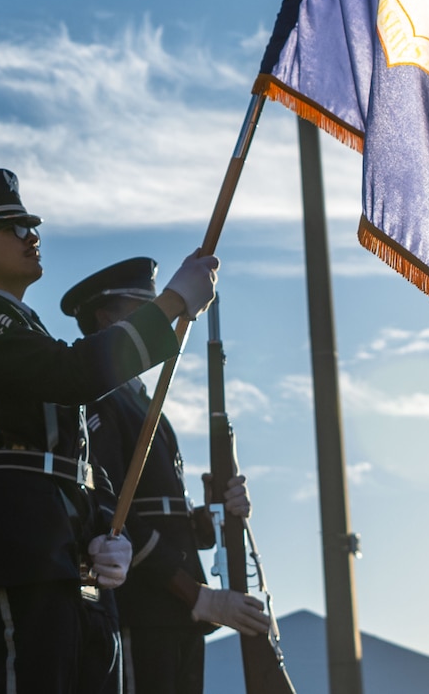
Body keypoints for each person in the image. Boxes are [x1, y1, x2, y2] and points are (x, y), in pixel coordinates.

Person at [0, 170, 220, 694]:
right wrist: (171, 305)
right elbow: (68, 377)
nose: (31, 236)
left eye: (31, 225)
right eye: (11, 226)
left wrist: (107, 527)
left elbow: (82, 452)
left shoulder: (24, 324)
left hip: (69, 553)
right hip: (20, 549)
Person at [64, 259, 270, 692]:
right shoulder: (102, 401)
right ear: (105, 318)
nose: (164, 313)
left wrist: (208, 513)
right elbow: (115, 517)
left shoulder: (142, 401)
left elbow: (162, 520)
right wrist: (196, 595)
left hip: (176, 612)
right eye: (147, 305)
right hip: (145, 608)